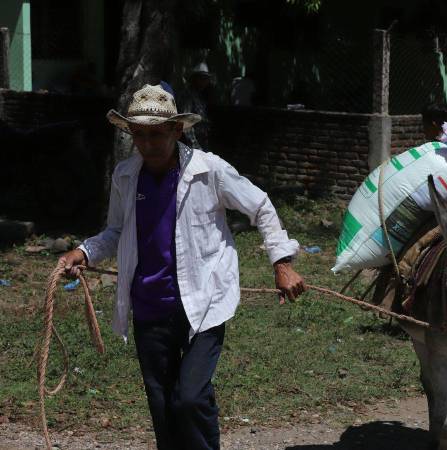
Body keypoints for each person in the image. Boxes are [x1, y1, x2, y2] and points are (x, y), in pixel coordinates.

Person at [58, 84, 306, 450]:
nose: (147, 144)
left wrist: (281, 263)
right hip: (149, 306)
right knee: (162, 406)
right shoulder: (126, 175)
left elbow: (260, 206)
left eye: (156, 134)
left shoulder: (209, 170)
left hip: (203, 305)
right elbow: (116, 230)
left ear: (177, 130)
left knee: (189, 398)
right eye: (139, 135)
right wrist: (83, 252)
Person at [180, 62, 215, 149]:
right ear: (195, 79)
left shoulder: (201, 95)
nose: (205, 82)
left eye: (206, 79)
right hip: (194, 140)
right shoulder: (188, 95)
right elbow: (186, 121)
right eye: (202, 78)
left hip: (203, 137)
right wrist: (194, 145)